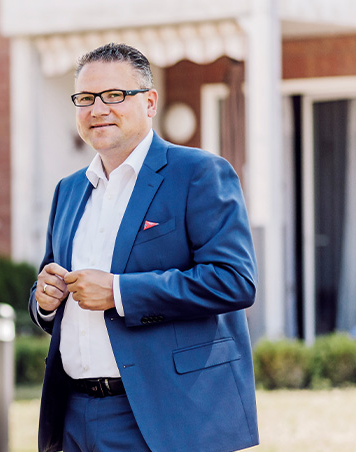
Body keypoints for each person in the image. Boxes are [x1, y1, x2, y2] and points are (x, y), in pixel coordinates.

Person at [27, 43, 259, 452]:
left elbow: (234, 281)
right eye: (85, 98)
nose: (98, 109)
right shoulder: (68, 190)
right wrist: (44, 300)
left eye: (114, 95)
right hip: (72, 416)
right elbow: (52, 291)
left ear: (150, 102)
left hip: (162, 415)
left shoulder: (199, 173)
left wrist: (119, 292)